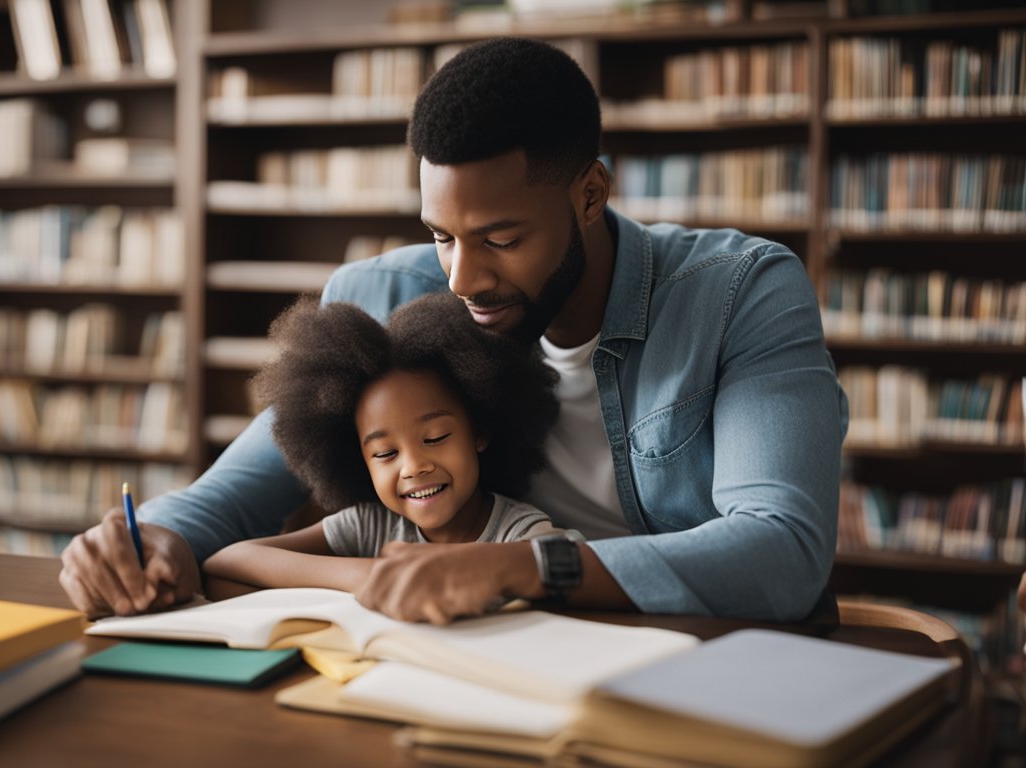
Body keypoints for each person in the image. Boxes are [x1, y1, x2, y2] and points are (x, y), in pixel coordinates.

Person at [59, 37, 848, 623]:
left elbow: (783, 551)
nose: (462, 280)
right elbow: (230, 499)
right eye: (442, 236)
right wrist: (153, 538)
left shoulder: (741, 292)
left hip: (692, 666)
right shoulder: (380, 297)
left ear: (590, 194)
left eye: (501, 239)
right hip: (484, 660)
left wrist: (522, 567)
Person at [202, 293, 573, 610]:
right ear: (358, 460)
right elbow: (224, 565)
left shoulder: (520, 532)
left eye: (435, 437)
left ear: (480, 432)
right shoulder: (370, 526)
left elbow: (572, 575)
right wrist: (366, 576)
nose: (414, 466)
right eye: (384, 454)